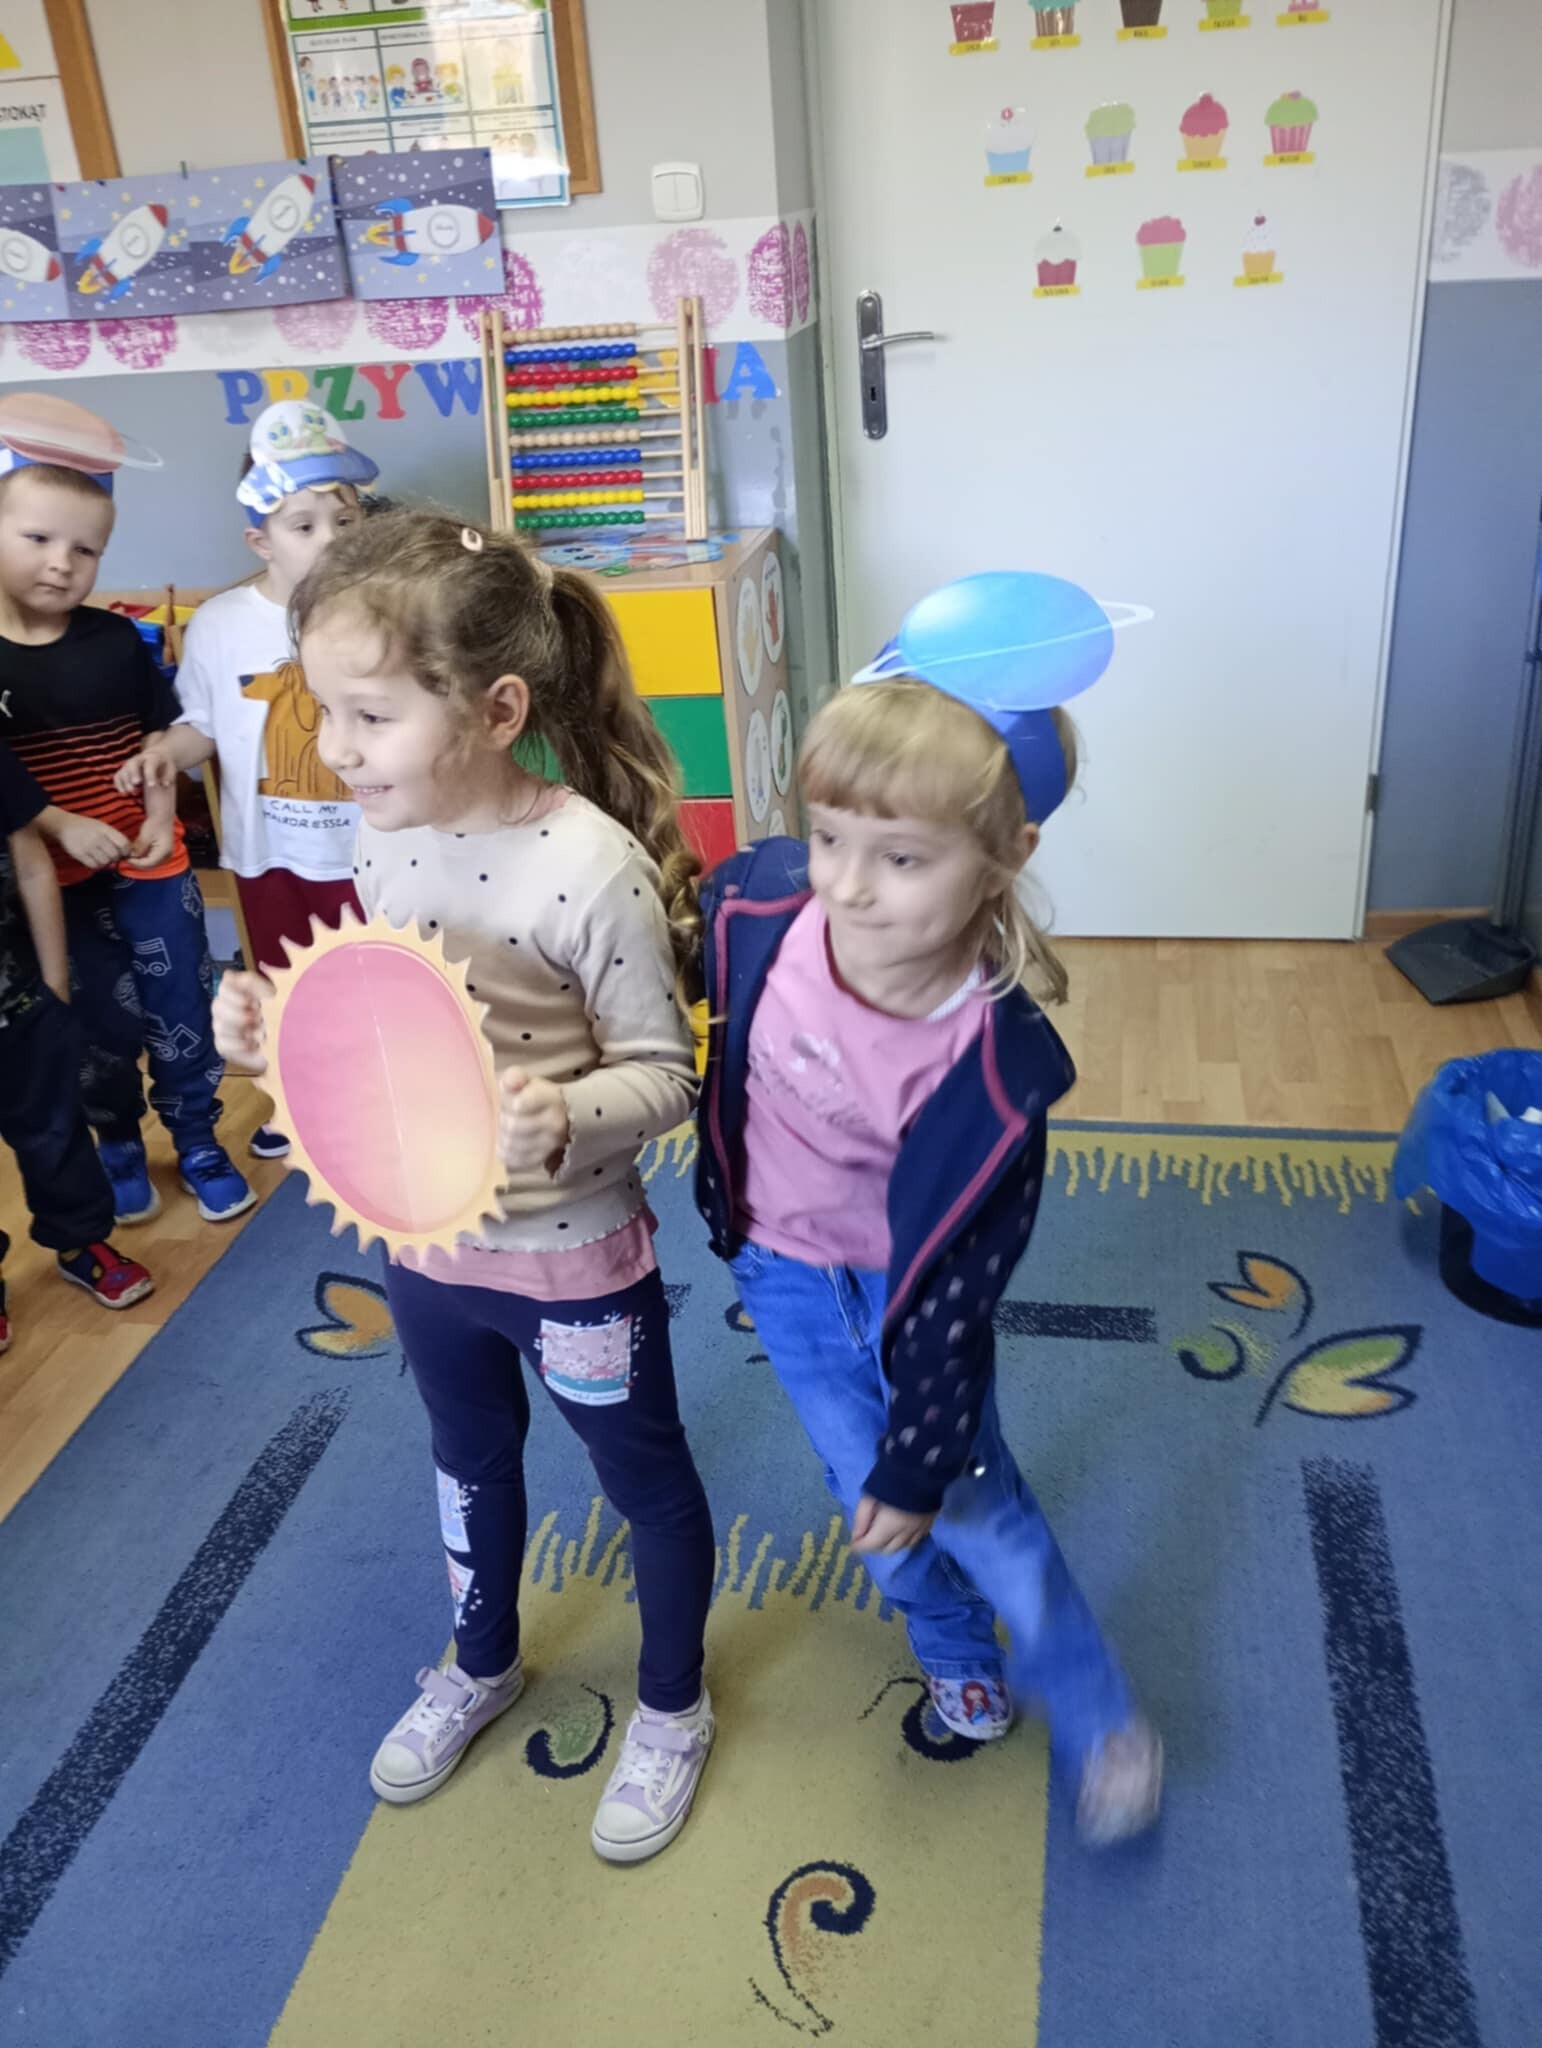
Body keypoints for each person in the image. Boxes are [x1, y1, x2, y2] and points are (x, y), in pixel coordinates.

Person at [210, 512, 718, 1864]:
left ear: (497, 711)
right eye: (326, 709)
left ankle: (672, 1704)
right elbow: (387, 1035)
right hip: (427, 1252)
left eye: (371, 715)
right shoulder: (383, 838)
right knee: (467, 1459)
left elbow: (664, 1076)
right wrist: (274, 1038)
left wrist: (566, 1113)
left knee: (641, 1477)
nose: (334, 748)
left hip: (571, 1260)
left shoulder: (590, 870)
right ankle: (480, 1658)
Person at [695, 670, 1163, 1846]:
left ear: (1004, 856)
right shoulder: (759, 907)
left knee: (972, 1508)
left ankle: (1100, 1713)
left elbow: (958, 1300)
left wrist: (920, 1462)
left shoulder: (992, 1068)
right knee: (868, 1512)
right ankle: (957, 1656)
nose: (848, 883)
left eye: (901, 857)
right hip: (783, 1277)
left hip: (913, 1309)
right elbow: (672, 962)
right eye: (830, 836)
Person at [117, 401, 379, 1162]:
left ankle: (385, 1101)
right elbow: (204, 721)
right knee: (288, 987)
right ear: (260, 540)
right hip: (270, 856)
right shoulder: (222, 623)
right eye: (305, 526)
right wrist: (166, 751)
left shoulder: (385, 613)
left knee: (380, 982)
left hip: (375, 848)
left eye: (346, 521)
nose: (330, 540)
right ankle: (302, 1103)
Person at [0, 441, 251, 1229]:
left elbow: (159, 740)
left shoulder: (114, 641)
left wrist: (157, 815)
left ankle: (198, 1138)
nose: (62, 562)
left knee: (182, 1003)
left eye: (86, 549)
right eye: (38, 538)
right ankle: (117, 1141)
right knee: (94, 1024)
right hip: (52, 887)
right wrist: (61, 824)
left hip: (151, 865)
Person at [0, 741, 153, 1354]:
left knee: (54, 1128)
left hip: (19, 1001)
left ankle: (79, 1239)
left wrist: (55, 986)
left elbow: (31, 863)